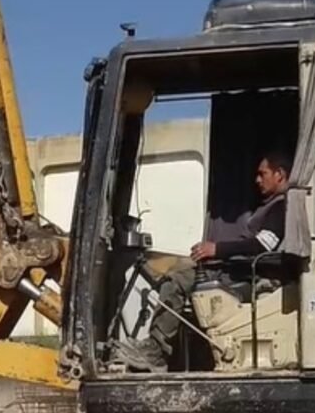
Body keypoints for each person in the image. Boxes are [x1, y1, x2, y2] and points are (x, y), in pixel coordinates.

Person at [114, 150, 292, 373]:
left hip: (251, 274)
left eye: (262, 174)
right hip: (241, 268)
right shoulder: (270, 205)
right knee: (181, 268)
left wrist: (217, 249)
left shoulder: (281, 207)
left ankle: (157, 351)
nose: (257, 180)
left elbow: (263, 245)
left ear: (279, 174)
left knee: (177, 280)